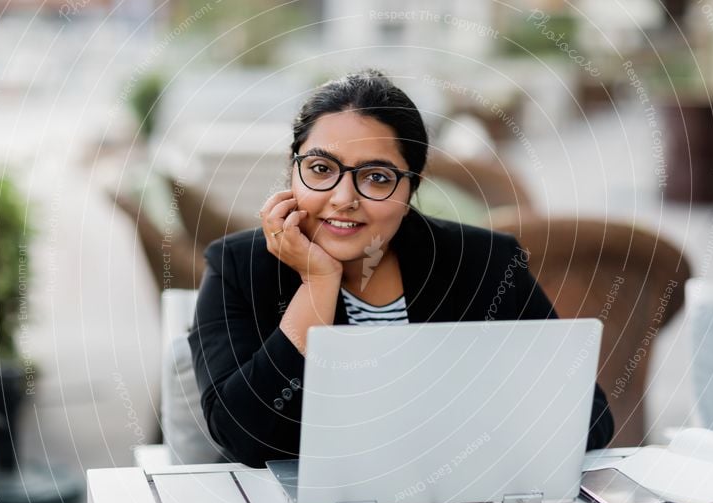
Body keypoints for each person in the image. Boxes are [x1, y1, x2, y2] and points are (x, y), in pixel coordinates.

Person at [188, 70, 614, 468]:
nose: (343, 198)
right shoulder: (236, 267)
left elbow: (590, 419)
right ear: (292, 168)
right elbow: (239, 436)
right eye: (321, 169)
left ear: (412, 186)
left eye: (377, 177)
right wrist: (319, 284)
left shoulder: (487, 262)